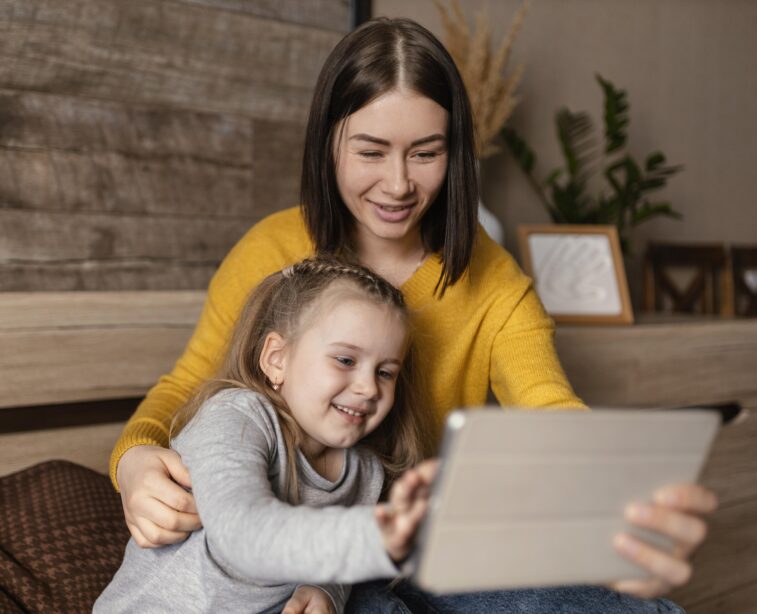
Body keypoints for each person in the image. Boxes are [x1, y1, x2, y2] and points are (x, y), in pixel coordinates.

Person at [111, 16, 717, 613]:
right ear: (329, 144)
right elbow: (189, 391)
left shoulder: (494, 283)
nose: (398, 185)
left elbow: (553, 413)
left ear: (455, 154)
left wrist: (624, 497)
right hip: (328, 552)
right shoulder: (268, 255)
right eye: (371, 151)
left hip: (415, 549)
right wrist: (134, 461)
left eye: (425, 153)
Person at [96, 257, 439, 613]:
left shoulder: (366, 471)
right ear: (277, 359)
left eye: (385, 372)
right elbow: (244, 535)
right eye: (346, 361)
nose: (369, 388)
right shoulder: (238, 417)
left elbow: (336, 567)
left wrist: (324, 591)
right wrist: (376, 534)